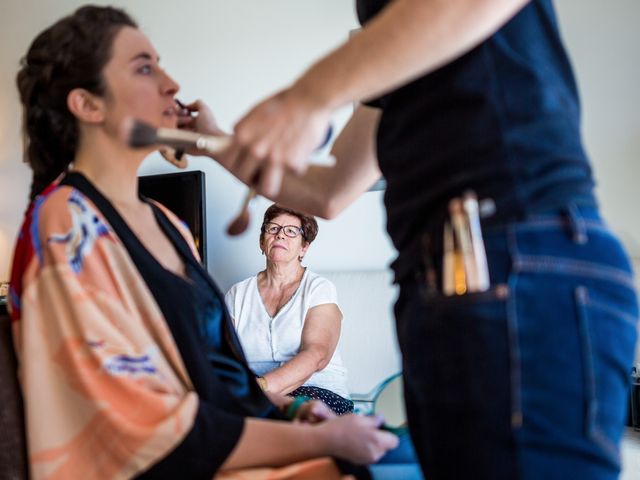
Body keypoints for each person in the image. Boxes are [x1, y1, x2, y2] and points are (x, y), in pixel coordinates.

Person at [189, 0, 640, 478]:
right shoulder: (395, 38)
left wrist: (305, 98)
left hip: (515, 261)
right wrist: (211, 141)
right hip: (443, 288)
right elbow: (333, 187)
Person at [7, 6, 398, 479]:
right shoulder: (67, 226)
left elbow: (213, 376)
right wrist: (315, 437)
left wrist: (292, 413)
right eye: (145, 68)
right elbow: (131, 424)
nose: (172, 84)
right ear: (89, 105)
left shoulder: (167, 224)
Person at [225, 204, 353, 414]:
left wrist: (260, 388)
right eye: (273, 228)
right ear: (261, 241)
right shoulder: (237, 294)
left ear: (304, 247)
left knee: (282, 423)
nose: (280, 235)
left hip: (318, 392)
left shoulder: (319, 288)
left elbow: (316, 354)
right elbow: (223, 354)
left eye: (291, 231)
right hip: (255, 395)